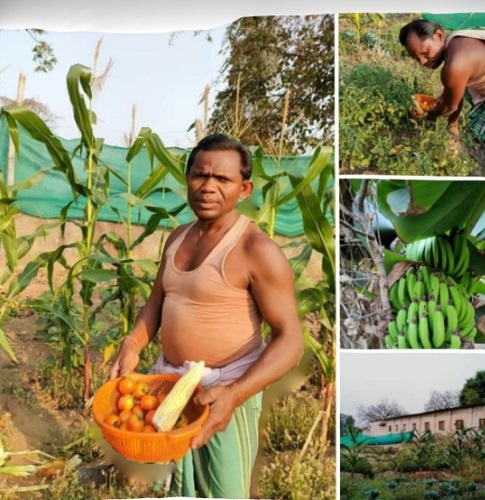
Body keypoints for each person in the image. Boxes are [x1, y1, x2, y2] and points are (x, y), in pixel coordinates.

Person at [109, 133, 304, 498]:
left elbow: (291, 342)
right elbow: (157, 300)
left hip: (224, 392)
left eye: (222, 179)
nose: (208, 187)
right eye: (200, 175)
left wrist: (233, 394)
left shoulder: (255, 249)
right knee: (180, 489)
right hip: (171, 387)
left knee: (223, 491)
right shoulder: (178, 238)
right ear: (188, 179)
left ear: (244, 189)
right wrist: (133, 342)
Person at [399, 19, 485, 139]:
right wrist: (451, 121)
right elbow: (453, 93)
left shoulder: (455, 66)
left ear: (439, 35)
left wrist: (428, 115)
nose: (423, 62)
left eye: (425, 52)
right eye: (417, 58)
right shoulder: (456, 41)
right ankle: (453, 127)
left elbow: (450, 107)